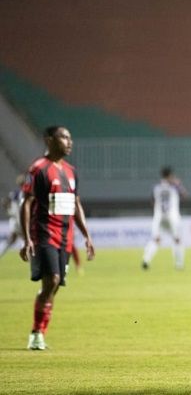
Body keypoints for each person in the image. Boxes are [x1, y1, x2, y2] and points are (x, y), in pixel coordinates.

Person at [19, 125, 95, 350]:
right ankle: (35, 334)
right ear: (49, 140)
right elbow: (27, 203)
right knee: (51, 280)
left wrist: (87, 236)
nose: (69, 142)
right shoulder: (38, 169)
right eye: (64, 137)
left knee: (55, 285)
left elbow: (75, 204)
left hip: (66, 237)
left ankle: (41, 330)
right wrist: (27, 239)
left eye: (70, 138)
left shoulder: (71, 171)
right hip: (43, 234)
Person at [141, 166, 186, 271]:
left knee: (156, 239)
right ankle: (179, 264)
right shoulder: (174, 187)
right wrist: (178, 184)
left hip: (159, 216)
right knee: (177, 240)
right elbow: (184, 195)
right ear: (170, 175)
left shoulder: (156, 187)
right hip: (172, 216)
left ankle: (146, 260)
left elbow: (152, 200)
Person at [0, 174, 25, 260]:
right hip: (21, 221)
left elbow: (4, 201)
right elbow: (5, 202)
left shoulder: (15, 193)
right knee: (26, 239)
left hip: (16, 221)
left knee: (13, 239)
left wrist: (9, 210)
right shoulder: (23, 193)